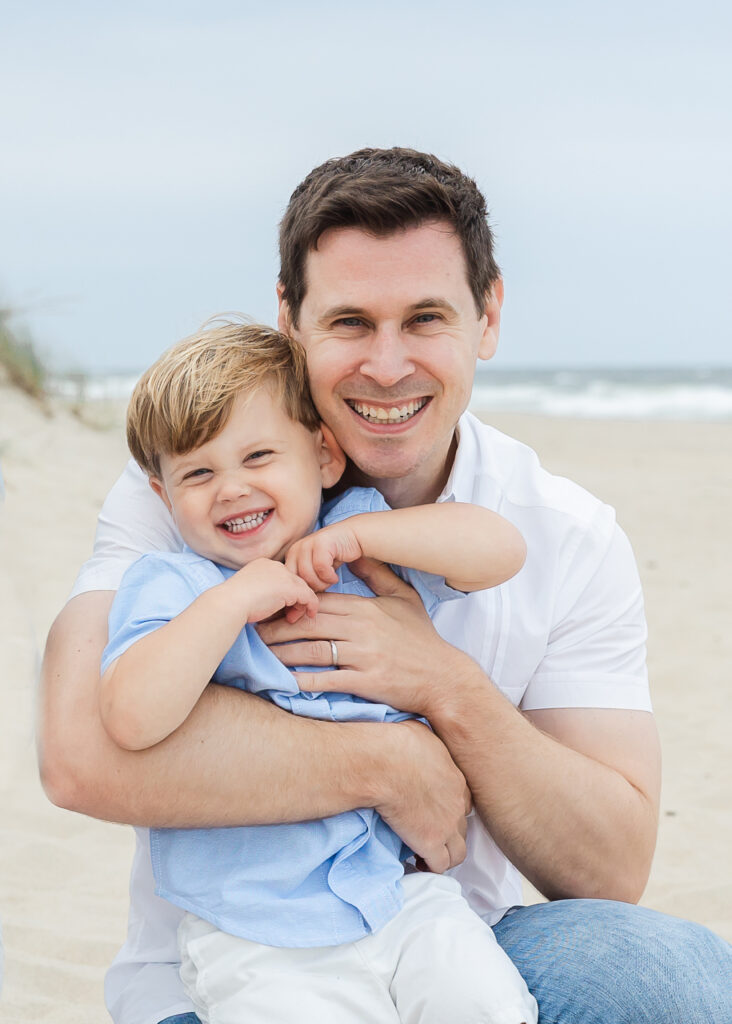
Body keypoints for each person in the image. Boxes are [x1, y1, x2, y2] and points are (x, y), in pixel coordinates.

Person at [40, 147, 732, 1024]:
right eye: (352, 322)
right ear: (290, 319)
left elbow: (607, 870)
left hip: (431, 929)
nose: (389, 364)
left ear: (488, 316)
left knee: (670, 972)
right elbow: (78, 757)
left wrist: (441, 684)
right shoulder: (204, 500)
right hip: (232, 965)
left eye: (427, 317)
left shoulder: (568, 532)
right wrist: (389, 763)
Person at [99, 320, 534, 1024]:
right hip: (254, 924)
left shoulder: (355, 530)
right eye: (198, 473)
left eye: (259, 457)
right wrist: (233, 598)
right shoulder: (174, 583)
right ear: (161, 496)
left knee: (482, 1001)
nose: (232, 490)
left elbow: (499, 549)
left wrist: (362, 537)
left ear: (325, 457)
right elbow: (130, 715)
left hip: (394, 896)